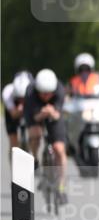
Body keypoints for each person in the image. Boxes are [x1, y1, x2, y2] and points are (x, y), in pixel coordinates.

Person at [24, 69, 69, 203]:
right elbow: (33, 117)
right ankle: (35, 158)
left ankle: (61, 187)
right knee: (35, 134)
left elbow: (58, 115)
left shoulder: (60, 90)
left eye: (49, 93)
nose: (46, 96)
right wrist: (43, 113)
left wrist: (51, 112)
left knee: (59, 149)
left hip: (54, 114)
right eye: (43, 93)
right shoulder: (30, 92)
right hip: (36, 113)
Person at [3, 71, 32, 158]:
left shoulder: (33, 91)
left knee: (34, 134)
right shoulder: (7, 92)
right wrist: (18, 110)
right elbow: (13, 114)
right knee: (14, 144)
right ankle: (13, 161)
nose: (22, 100)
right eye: (20, 98)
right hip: (13, 110)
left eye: (23, 98)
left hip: (29, 106)